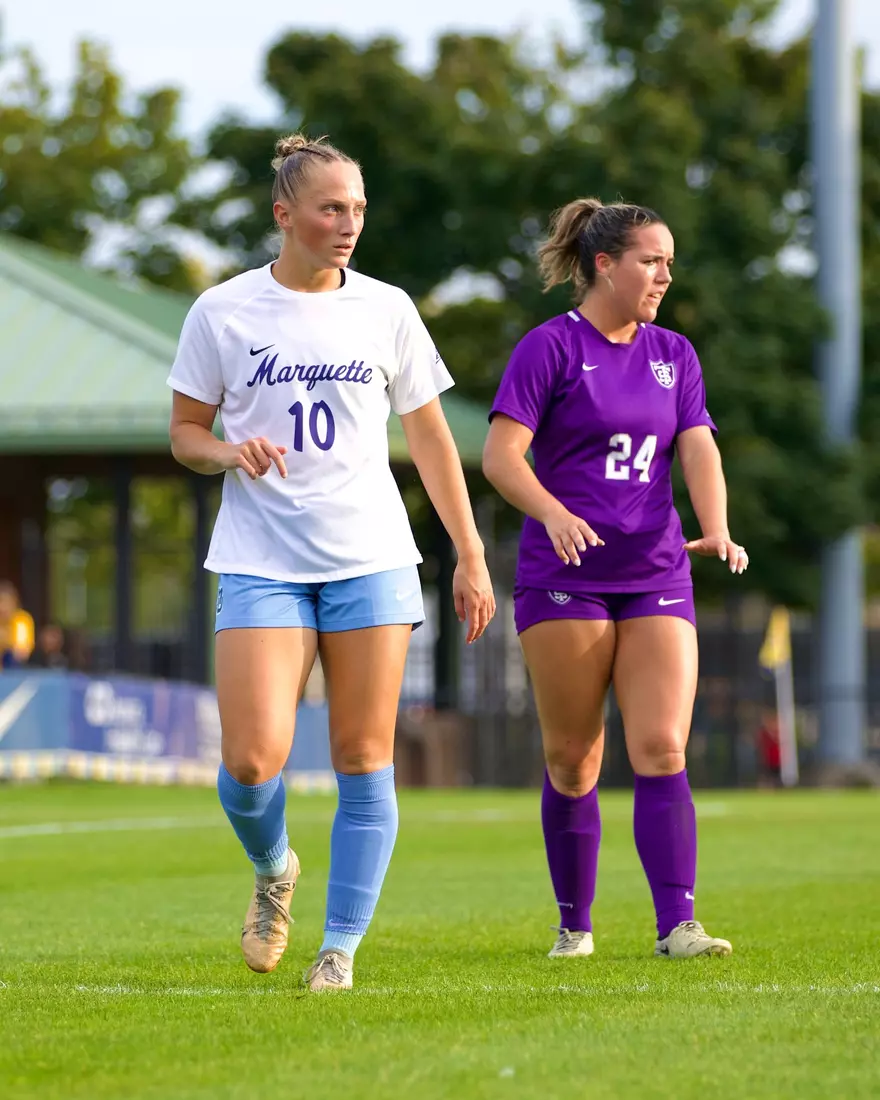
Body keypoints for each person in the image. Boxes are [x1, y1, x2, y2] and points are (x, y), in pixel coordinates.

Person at [167, 133, 495, 992]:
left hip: (372, 558)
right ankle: (275, 867)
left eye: (356, 208)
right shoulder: (223, 311)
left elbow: (429, 439)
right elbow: (184, 434)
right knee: (251, 759)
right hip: (259, 558)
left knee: (362, 752)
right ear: (285, 214)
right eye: (330, 208)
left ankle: (338, 949)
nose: (348, 223)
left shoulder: (387, 308)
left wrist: (468, 551)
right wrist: (229, 452)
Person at [482, 198, 747, 961]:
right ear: (604, 264)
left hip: (656, 568)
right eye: (650, 260)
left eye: (668, 261)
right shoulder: (550, 348)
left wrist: (717, 523)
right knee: (575, 758)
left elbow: (697, 447)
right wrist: (553, 513)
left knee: (663, 746)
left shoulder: (676, 353)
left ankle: (679, 927)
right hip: (565, 577)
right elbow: (502, 458)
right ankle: (575, 925)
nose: (665, 274)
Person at [0, 581, 35, 670]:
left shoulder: (21, 620)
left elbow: (22, 652)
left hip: (13, 668)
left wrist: (5, 640)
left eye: (6, 602)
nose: (2, 607)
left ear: (14, 603)